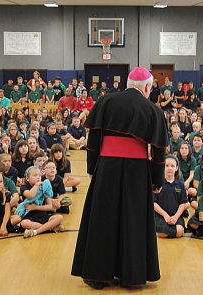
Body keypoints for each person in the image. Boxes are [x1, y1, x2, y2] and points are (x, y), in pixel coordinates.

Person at [72, 67, 168, 289]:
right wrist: (157, 181)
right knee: (133, 222)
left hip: (107, 169)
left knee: (103, 220)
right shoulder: (153, 110)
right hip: (137, 171)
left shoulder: (106, 102)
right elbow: (159, 151)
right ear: (146, 87)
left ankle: (98, 276)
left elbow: (93, 138)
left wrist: (92, 168)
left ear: (127, 83)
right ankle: (132, 277)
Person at [153, 156, 190, 238]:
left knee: (180, 232)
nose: (169, 168)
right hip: (160, 215)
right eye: (167, 166)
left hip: (175, 215)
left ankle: (169, 230)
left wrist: (175, 217)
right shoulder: (157, 184)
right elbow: (154, 203)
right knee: (163, 234)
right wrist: (165, 215)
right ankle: (161, 230)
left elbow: (183, 203)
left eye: (172, 166)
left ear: (177, 168)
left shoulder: (180, 184)